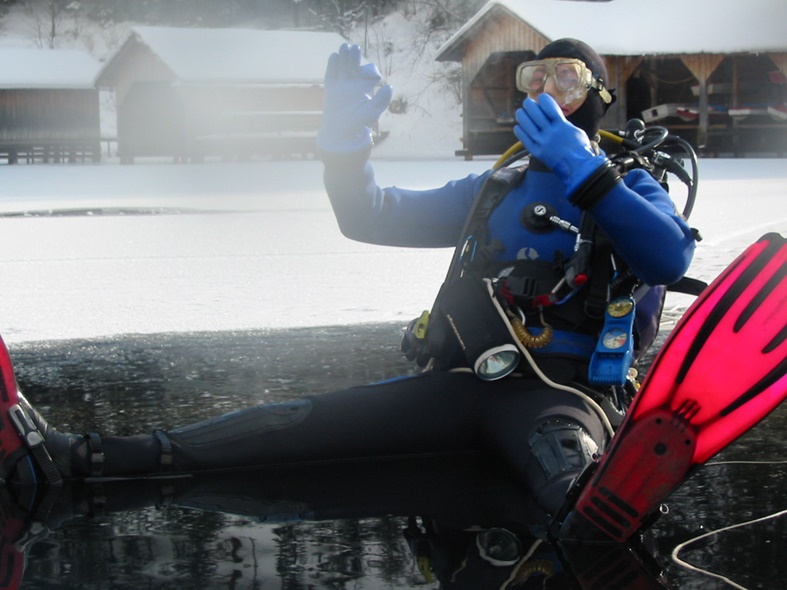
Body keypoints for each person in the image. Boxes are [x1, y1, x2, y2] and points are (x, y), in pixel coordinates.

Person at [0, 39, 695, 522]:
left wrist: (586, 172)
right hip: (457, 388)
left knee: (570, 489)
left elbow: (667, 259)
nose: (547, 94)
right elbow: (370, 215)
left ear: (597, 97)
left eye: (566, 81)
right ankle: (72, 459)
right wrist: (343, 147)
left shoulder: (628, 185)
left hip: (563, 401)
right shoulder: (495, 189)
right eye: (534, 79)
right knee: (289, 425)